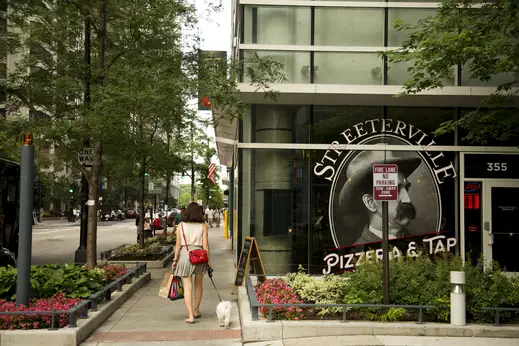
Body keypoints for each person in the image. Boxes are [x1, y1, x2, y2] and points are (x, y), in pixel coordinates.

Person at [337, 150, 421, 246]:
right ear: (370, 203)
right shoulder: (358, 256)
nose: (408, 199)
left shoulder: (422, 247)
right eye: (395, 190)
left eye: (406, 188)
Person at [172, 202, 210, 324]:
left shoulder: (180, 226)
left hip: (184, 255)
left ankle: (190, 316)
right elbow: (205, 245)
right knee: (198, 284)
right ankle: (196, 310)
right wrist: (208, 260)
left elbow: (177, 245)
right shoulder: (203, 226)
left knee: (187, 286)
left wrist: (175, 260)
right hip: (199, 255)